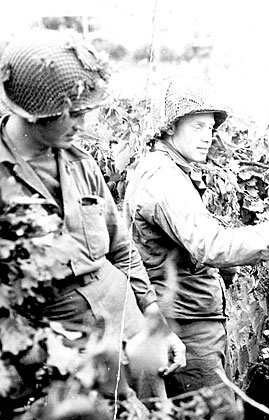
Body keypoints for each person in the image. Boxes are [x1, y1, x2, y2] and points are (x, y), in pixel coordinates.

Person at [0, 30, 185, 397]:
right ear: (37, 114)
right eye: (73, 115)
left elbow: (121, 249)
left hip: (127, 320)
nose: (83, 126)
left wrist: (153, 318)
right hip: (62, 351)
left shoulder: (80, 163)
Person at [123, 76, 269, 406]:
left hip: (189, 319)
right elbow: (210, 246)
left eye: (211, 129)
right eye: (198, 127)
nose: (208, 138)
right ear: (170, 127)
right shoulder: (163, 178)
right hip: (183, 323)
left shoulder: (173, 171)